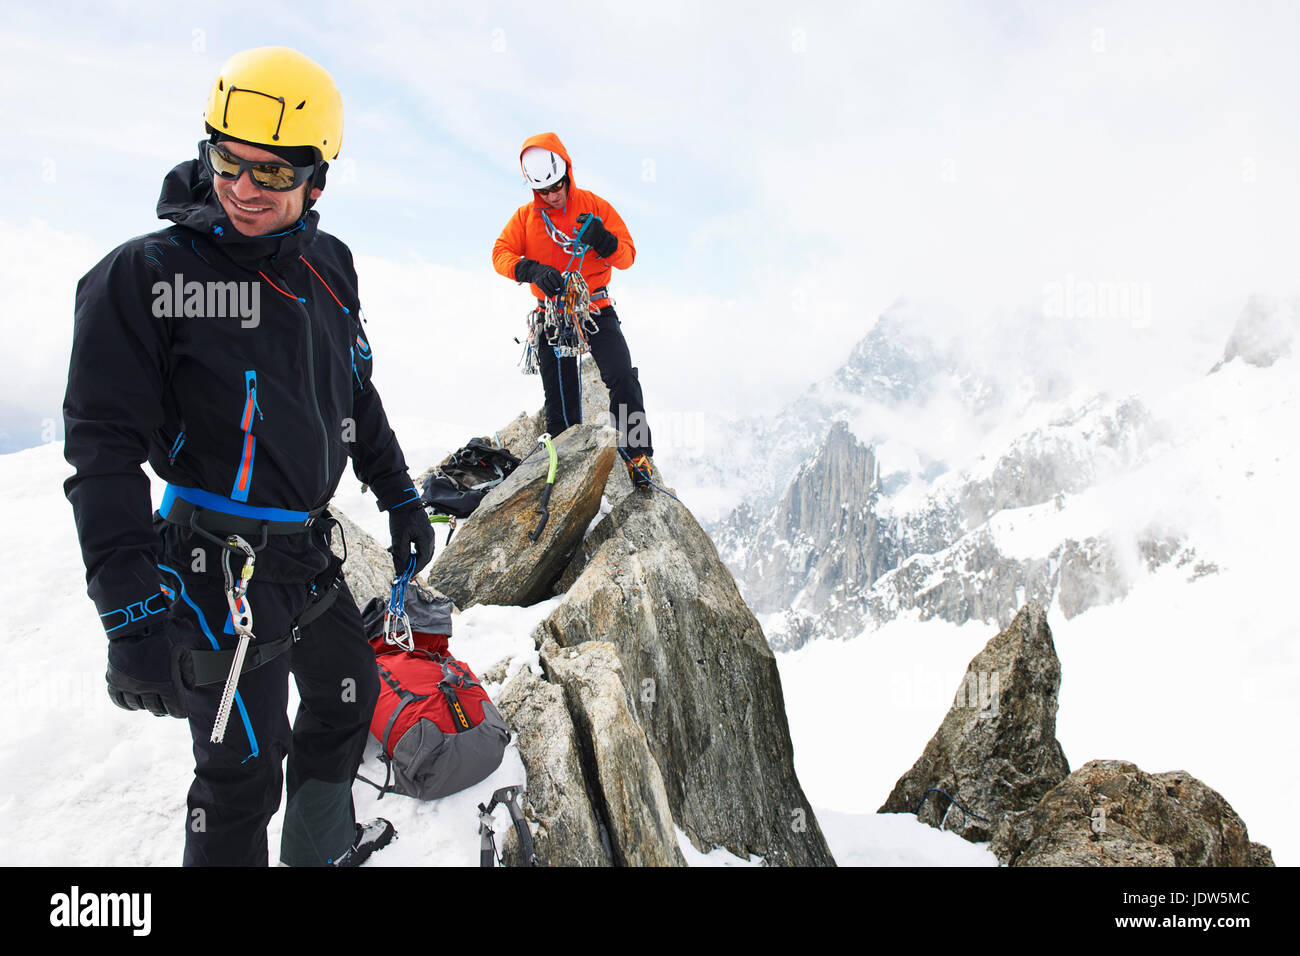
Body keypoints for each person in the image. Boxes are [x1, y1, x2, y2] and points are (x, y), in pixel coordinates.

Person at [62, 46, 434, 867]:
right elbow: (102, 456)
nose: (240, 188)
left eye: (270, 174)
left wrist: (400, 497)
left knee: (348, 699)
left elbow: (353, 396)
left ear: (317, 181)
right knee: (239, 777)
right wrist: (130, 615)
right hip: (212, 565)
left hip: (304, 552)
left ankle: (320, 848)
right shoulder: (148, 275)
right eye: (225, 160)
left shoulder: (328, 267)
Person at [492, 133, 656, 486]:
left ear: (568, 173)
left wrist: (604, 241)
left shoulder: (595, 207)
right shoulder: (526, 219)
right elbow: (500, 254)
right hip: (551, 313)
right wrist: (529, 270)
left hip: (594, 305)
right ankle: (565, 467)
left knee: (622, 376)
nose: (553, 195)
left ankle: (638, 453)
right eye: (544, 191)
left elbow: (627, 255)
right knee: (560, 403)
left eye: (558, 186)